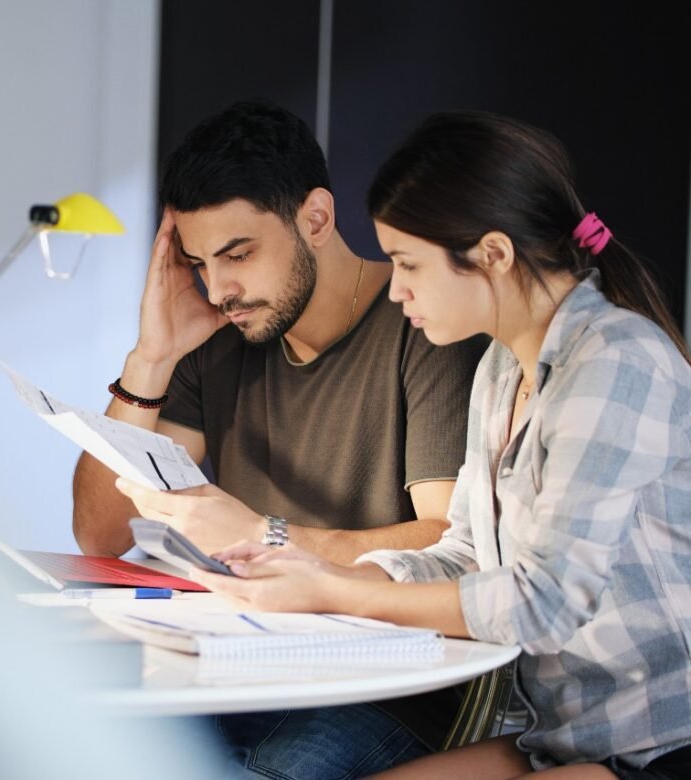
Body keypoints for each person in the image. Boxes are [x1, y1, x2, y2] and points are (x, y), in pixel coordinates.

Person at [126, 110, 691, 778]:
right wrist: (318, 576)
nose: (397, 289)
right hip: (561, 737)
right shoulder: (503, 370)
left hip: (654, 744)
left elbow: (543, 602)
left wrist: (339, 594)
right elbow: (467, 552)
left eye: (409, 264)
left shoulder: (617, 361)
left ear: (492, 255)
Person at [73, 100, 488, 776]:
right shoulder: (220, 335)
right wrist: (149, 359)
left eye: (238, 253)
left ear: (316, 218)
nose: (220, 287)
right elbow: (101, 534)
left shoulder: (424, 325)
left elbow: (447, 542)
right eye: (200, 262)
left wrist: (267, 534)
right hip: (237, 663)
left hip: (386, 684)